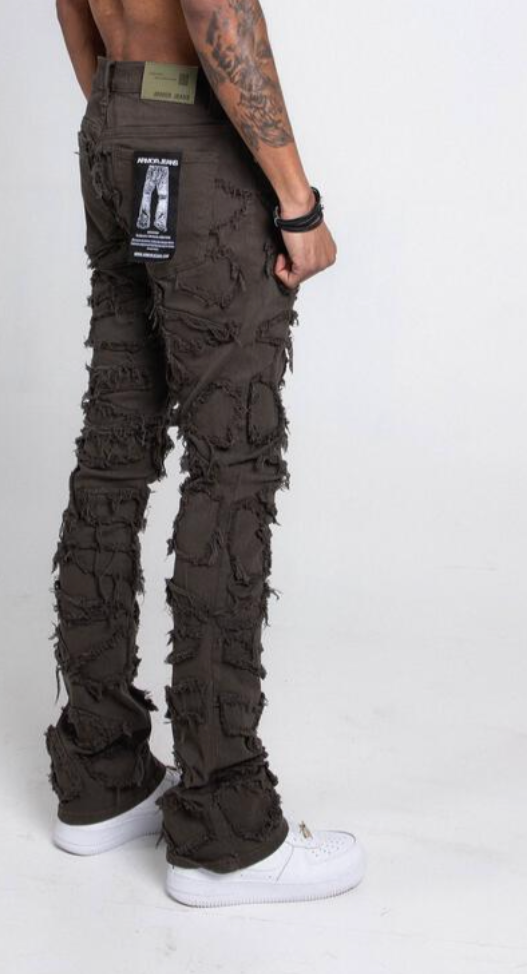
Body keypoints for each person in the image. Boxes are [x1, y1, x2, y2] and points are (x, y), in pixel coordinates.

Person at [45, 0, 366, 908]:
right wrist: (298, 201)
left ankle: (101, 773)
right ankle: (225, 824)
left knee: (115, 450)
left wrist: (125, 109)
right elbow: (215, 6)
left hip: (114, 126)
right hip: (191, 133)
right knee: (232, 465)